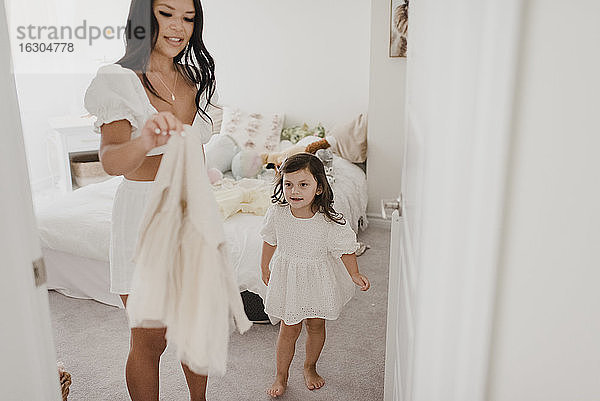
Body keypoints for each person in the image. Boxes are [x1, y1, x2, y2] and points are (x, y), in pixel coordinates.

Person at [84, 0, 217, 399]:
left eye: (189, 18)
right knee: (151, 338)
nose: (179, 27)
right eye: (167, 13)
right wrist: (146, 141)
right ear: (144, 16)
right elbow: (110, 160)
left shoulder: (192, 78)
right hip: (143, 214)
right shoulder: (119, 79)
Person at [260, 153, 371, 397]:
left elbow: (344, 249)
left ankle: (310, 367)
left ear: (318, 187)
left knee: (316, 325)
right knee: (288, 329)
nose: (294, 191)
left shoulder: (328, 221)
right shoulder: (278, 213)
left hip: (317, 281)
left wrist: (354, 273)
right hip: (289, 279)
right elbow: (269, 239)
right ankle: (281, 375)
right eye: (288, 184)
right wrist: (264, 265)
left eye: (303, 184)